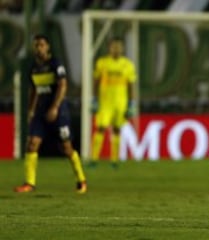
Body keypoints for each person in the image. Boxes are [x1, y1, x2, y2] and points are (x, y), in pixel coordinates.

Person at [14, 34, 87, 194]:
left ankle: (81, 180)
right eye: (36, 45)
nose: (38, 48)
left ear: (47, 47)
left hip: (59, 111)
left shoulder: (56, 64)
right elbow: (34, 90)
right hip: (40, 111)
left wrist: (55, 107)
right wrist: (31, 110)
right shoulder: (33, 67)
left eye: (41, 45)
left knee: (66, 147)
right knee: (32, 144)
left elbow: (63, 85)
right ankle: (29, 183)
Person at [90, 37, 137, 167]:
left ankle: (114, 160)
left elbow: (131, 85)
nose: (116, 49)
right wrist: (94, 99)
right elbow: (96, 82)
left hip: (120, 102)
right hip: (105, 102)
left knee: (117, 129)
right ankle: (93, 159)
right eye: (113, 46)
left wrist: (132, 103)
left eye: (119, 46)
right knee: (100, 128)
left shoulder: (128, 65)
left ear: (122, 48)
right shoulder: (102, 63)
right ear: (109, 48)